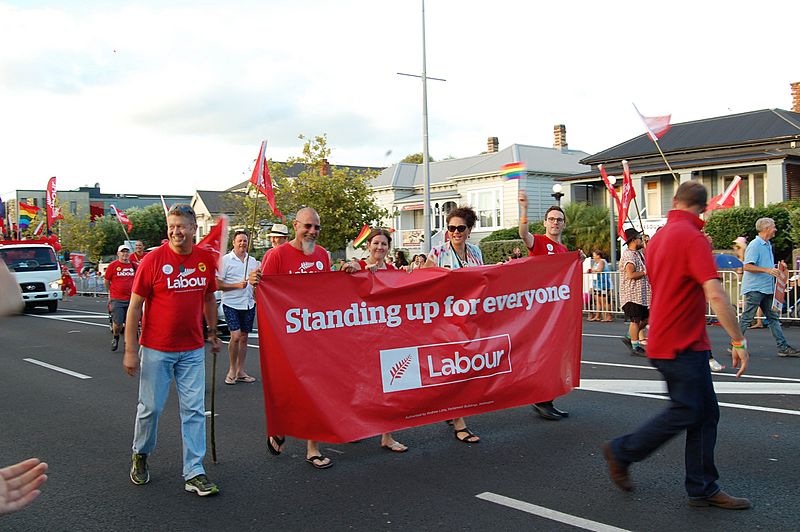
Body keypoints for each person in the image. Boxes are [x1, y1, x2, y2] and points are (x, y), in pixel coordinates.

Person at [603, 180, 751, 510]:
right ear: (704, 208)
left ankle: (701, 485)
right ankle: (623, 451)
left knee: (703, 413)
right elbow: (714, 293)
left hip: (667, 338)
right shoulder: (692, 238)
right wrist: (738, 339)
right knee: (688, 410)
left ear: (676, 201)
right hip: (683, 342)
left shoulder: (657, 240)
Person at [122, 204, 222, 496]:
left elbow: (209, 299)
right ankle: (140, 453)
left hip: (192, 349)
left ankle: (194, 471)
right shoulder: (152, 261)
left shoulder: (204, 260)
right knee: (150, 409)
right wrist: (130, 350)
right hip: (157, 349)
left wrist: (213, 333)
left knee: (194, 411)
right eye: (172, 226)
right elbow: (134, 308)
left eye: (181, 226)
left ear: (193, 229)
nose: (176, 231)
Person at [249, 207, 335, 469]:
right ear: (296, 225)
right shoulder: (276, 255)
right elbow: (261, 297)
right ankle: (280, 425)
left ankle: (313, 448)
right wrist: (254, 283)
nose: (312, 232)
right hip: (285, 338)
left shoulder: (322, 255)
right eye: (307, 226)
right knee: (288, 389)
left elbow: (330, 291)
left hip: (315, 335)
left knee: (317, 389)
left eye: (316, 227)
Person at [342, 228, 409, 453]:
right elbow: (341, 280)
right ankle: (354, 427)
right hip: (360, 336)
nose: (380, 248)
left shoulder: (392, 270)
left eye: (384, 244)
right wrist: (353, 272)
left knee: (388, 386)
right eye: (376, 243)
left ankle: (387, 435)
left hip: (386, 335)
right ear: (368, 246)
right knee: (358, 385)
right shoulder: (358, 265)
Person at [424, 206, 482, 444]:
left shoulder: (476, 252)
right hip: (445, 322)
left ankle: (450, 410)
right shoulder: (437, 252)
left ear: (469, 230)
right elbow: (423, 281)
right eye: (451, 228)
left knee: (464, 371)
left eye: (460, 228)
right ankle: (459, 422)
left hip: (468, 320)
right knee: (454, 371)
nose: (455, 232)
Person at [518, 191, 578, 421]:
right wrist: (524, 209)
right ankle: (541, 400)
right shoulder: (539, 241)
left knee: (556, 357)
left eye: (559, 220)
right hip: (540, 311)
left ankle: (547, 399)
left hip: (557, 312)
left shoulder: (564, 251)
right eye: (551, 219)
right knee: (544, 355)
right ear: (545, 223)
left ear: (564, 224)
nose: (555, 223)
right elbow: (523, 235)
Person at [738, 218, 799, 357]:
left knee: (772, 318)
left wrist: (778, 269)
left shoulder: (767, 244)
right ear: (766, 228)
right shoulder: (755, 245)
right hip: (755, 288)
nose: (775, 229)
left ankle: (782, 347)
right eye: (773, 226)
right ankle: (734, 344)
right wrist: (768, 270)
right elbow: (747, 266)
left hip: (766, 287)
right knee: (747, 318)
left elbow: (765, 266)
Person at [218, 230, 261, 385]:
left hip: (248, 303)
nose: (243, 243)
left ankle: (240, 370)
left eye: (245, 241)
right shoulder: (225, 261)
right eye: (240, 241)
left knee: (244, 338)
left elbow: (259, 283)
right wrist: (237, 285)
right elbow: (217, 284)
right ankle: (231, 369)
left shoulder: (253, 261)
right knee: (235, 336)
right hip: (231, 304)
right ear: (234, 243)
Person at [619, 228, 651, 356]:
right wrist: (644, 273)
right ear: (633, 240)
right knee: (635, 320)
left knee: (647, 318)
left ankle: (630, 336)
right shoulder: (629, 255)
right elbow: (631, 274)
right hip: (632, 294)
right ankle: (635, 346)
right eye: (639, 238)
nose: (641, 240)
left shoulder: (638, 253)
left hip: (641, 295)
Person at [104, 244, 136, 352]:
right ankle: (116, 337)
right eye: (123, 252)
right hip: (117, 299)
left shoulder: (134, 266)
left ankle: (128, 343)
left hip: (132, 299)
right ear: (118, 254)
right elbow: (107, 281)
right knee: (118, 324)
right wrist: (111, 292)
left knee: (130, 323)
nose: (125, 254)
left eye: (127, 252)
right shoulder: (113, 266)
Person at [589, 249, 612, 322]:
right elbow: (593, 269)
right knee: (598, 301)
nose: (593, 257)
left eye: (594, 255)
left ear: (598, 256)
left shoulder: (602, 261)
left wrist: (592, 270)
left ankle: (608, 316)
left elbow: (599, 270)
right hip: (597, 284)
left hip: (603, 284)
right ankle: (597, 316)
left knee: (604, 301)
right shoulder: (596, 263)